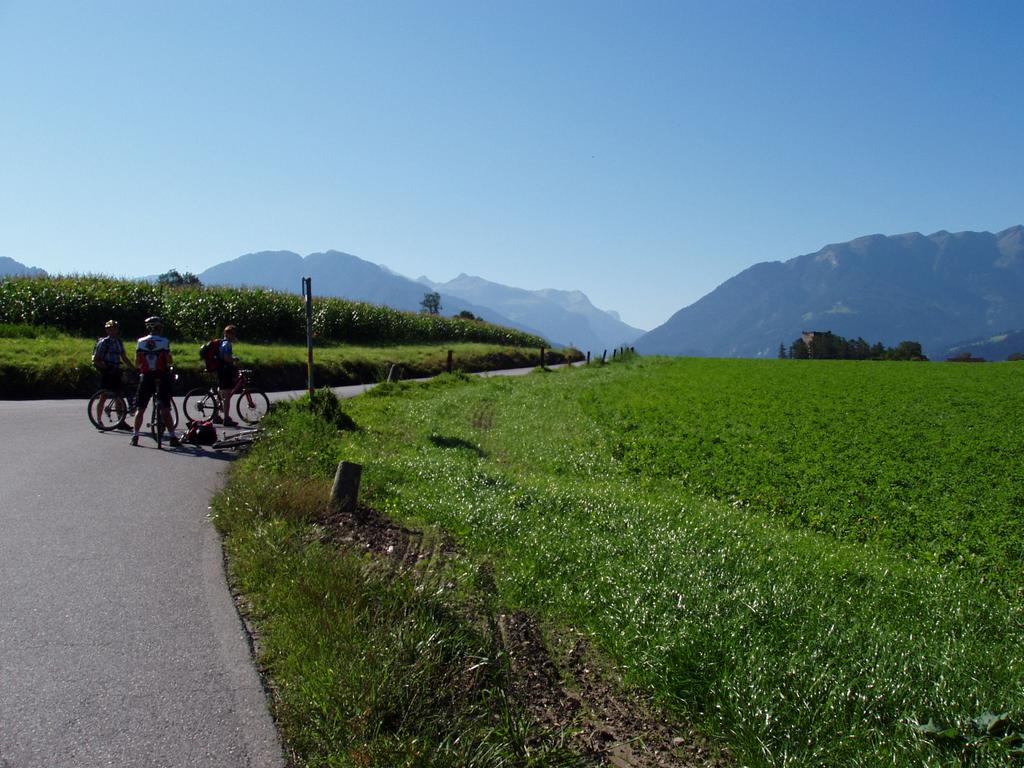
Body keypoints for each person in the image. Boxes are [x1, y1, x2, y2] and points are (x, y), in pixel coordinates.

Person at [131, 316, 180, 447]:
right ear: (158, 327)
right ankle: (173, 437)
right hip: (162, 376)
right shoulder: (164, 341)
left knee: (140, 409)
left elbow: (137, 363)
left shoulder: (140, 342)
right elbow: (169, 361)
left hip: (147, 377)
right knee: (165, 409)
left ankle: (135, 436)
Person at [92, 320, 136, 428]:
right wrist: (106, 368)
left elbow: (124, 357)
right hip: (107, 371)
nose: (112, 331)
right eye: (110, 329)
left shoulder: (119, 342)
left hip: (117, 370)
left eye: (114, 329)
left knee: (119, 396)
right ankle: (98, 420)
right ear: (106, 330)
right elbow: (96, 360)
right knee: (103, 396)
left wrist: (134, 369)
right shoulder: (103, 342)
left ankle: (120, 421)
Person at [214, 324, 241, 427]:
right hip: (225, 370)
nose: (234, 336)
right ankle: (226, 418)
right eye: (233, 333)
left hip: (220, 369)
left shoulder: (222, 343)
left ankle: (216, 416)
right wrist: (234, 359)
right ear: (228, 334)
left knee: (221, 393)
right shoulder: (227, 344)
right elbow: (226, 357)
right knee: (227, 395)